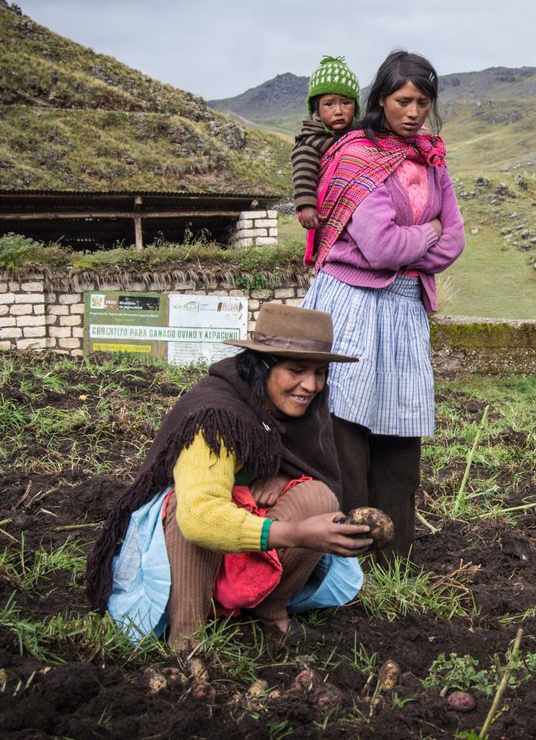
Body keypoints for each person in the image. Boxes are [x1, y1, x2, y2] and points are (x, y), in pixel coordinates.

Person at [85, 304, 374, 647]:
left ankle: (270, 610)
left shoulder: (304, 409)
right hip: (184, 547)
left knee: (318, 496)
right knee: (183, 508)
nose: (310, 385)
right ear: (262, 366)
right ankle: (186, 638)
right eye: (296, 370)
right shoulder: (216, 416)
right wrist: (296, 533)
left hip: (246, 542)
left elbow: (308, 466)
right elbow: (199, 517)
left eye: (320, 372)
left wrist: (285, 477)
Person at [302, 50, 465, 561]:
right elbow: (379, 246)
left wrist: (414, 241)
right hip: (352, 300)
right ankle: (344, 551)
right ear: (380, 100)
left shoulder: (430, 159)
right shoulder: (356, 155)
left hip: (403, 306)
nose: (413, 113)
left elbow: (454, 241)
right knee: (346, 419)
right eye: (402, 101)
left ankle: (394, 555)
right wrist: (427, 232)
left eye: (423, 102)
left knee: (401, 421)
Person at [293, 55, 361, 265]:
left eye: (346, 103)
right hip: (326, 215)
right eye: (329, 104)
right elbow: (303, 174)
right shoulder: (310, 141)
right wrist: (307, 206)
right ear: (316, 109)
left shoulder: (358, 135)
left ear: (356, 107)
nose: (338, 111)